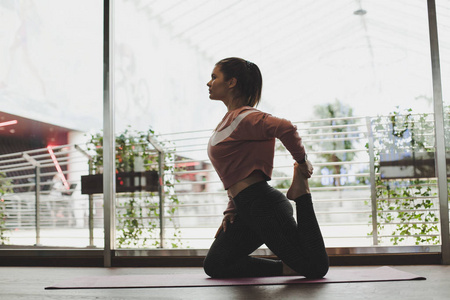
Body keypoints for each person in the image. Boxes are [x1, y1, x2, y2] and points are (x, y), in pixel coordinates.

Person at [203, 57, 329, 279]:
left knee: (315, 268)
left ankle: (301, 194)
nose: (209, 83)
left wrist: (302, 162)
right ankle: (286, 267)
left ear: (231, 82)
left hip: (263, 206)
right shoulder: (228, 120)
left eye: (214, 77)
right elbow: (236, 171)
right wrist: (232, 209)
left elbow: (286, 128)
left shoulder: (246, 117)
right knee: (215, 265)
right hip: (245, 207)